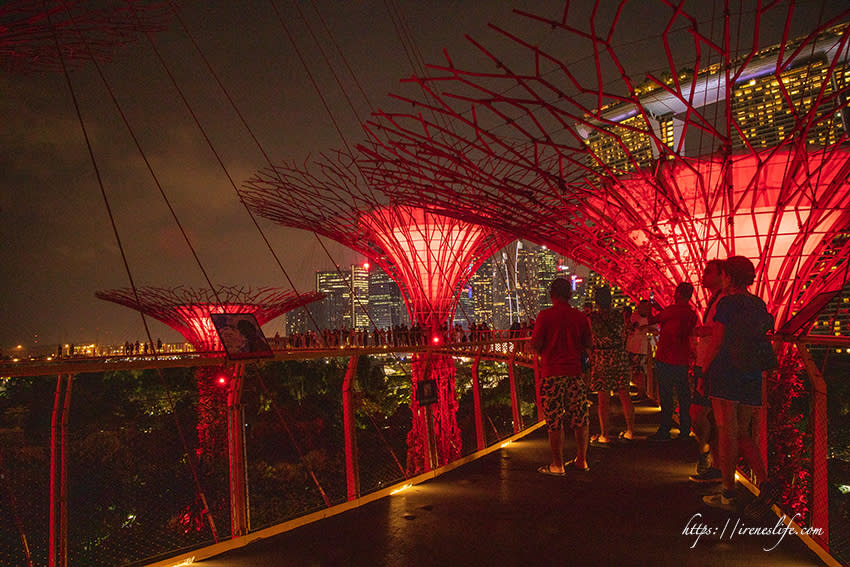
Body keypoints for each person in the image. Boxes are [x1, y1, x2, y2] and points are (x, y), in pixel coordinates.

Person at [702, 256, 779, 513]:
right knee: (745, 432)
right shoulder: (758, 303)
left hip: (726, 371)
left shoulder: (727, 303)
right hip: (752, 374)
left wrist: (703, 371)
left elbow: (718, 340)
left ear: (729, 276)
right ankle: (765, 483)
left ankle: (728, 491)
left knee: (726, 430)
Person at [531, 278, 592, 474]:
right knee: (580, 417)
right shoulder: (580, 317)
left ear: (551, 295)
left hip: (551, 373)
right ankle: (581, 460)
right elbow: (588, 343)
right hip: (574, 372)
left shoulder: (545, 316)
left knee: (554, 419)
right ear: (570, 295)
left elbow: (536, 345)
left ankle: (557, 464)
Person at [647, 282, 698, 442]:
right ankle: (685, 429)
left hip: (665, 358)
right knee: (684, 397)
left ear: (678, 294)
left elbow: (652, 320)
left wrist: (649, 309)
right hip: (682, 360)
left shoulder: (670, 311)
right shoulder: (691, 314)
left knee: (666, 395)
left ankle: (665, 430)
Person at [689, 260, 725, 483]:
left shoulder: (724, 300)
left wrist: (703, 330)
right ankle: (712, 460)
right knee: (705, 415)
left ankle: (715, 463)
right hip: (706, 362)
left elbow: (722, 329)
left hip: (712, 365)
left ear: (723, 274)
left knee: (704, 414)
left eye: (708, 272)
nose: (703, 275)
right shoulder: (716, 299)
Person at [588, 286, 635, 445]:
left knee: (603, 399)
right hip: (619, 355)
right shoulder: (619, 316)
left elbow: (588, 339)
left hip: (601, 357)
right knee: (624, 394)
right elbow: (624, 334)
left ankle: (604, 434)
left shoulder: (592, 318)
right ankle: (630, 431)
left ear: (596, 301)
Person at [626, 299, 654, 402]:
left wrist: (646, 328)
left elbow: (655, 330)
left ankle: (641, 393)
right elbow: (630, 327)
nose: (641, 309)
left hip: (641, 349)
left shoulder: (650, 318)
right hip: (632, 347)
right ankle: (640, 391)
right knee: (634, 371)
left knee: (640, 372)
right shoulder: (635, 315)